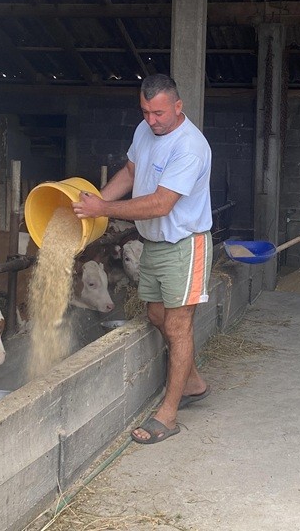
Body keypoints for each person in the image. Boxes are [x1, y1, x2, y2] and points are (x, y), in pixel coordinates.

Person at [72, 74, 212, 444]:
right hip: (153, 242)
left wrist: (106, 207)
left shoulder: (191, 147)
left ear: (178, 107)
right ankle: (194, 381)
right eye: (146, 112)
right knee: (155, 315)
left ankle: (168, 414)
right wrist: (95, 206)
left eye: (159, 113)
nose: (152, 120)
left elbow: (161, 203)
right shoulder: (144, 130)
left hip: (185, 243)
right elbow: (132, 172)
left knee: (179, 326)